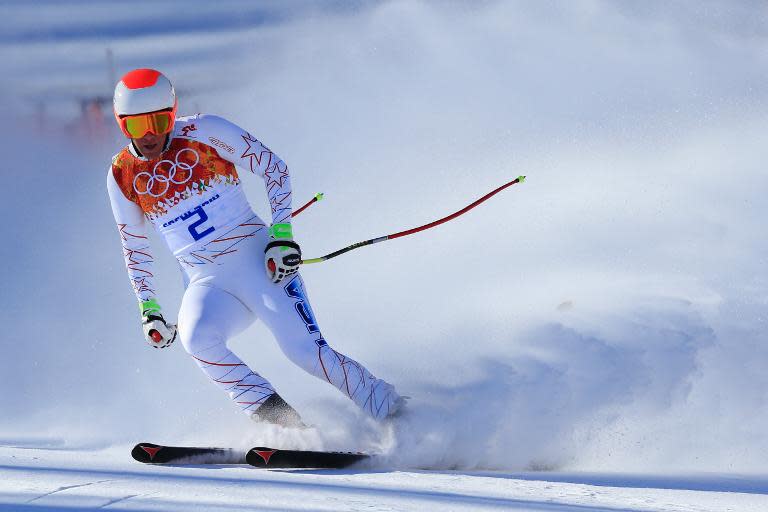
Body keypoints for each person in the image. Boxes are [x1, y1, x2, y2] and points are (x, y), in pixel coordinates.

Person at [106, 68, 403, 427]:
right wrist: (149, 308)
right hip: (206, 281)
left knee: (305, 352)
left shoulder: (205, 130)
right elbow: (134, 246)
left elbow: (273, 168)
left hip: (258, 261)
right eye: (137, 127)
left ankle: (395, 411)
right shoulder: (121, 173)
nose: (150, 135)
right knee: (197, 339)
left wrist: (281, 235)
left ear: (173, 112)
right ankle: (284, 424)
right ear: (122, 125)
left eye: (158, 121)